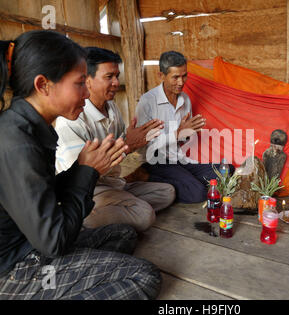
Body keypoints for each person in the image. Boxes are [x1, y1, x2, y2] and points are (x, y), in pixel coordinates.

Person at [0, 30, 161, 299]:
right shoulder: (17, 142)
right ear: (43, 85)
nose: (87, 93)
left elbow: (43, 194)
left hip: (33, 241)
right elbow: (54, 242)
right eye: (79, 83)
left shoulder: (29, 125)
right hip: (14, 268)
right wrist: (88, 172)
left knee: (123, 234)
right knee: (144, 275)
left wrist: (82, 170)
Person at [55, 47, 175, 232]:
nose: (116, 83)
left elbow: (122, 142)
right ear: (87, 80)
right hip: (88, 190)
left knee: (167, 192)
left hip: (113, 184)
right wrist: (128, 145)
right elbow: (82, 174)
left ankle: (120, 207)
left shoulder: (111, 108)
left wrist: (137, 138)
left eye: (117, 76)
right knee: (144, 214)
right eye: (109, 77)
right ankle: (80, 222)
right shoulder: (72, 119)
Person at [136, 51, 233, 203]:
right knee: (197, 193)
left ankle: (187, 181)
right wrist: (177, 134)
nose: (181, 82)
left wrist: (188, 133)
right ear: (161, 76)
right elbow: (143, 146)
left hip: (180, 159)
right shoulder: (147, 101)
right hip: (156, 161)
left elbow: (185, 139)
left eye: (184, 76)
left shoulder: (185, 99)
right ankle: (147, 177)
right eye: (175, 77)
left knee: (226, 171)